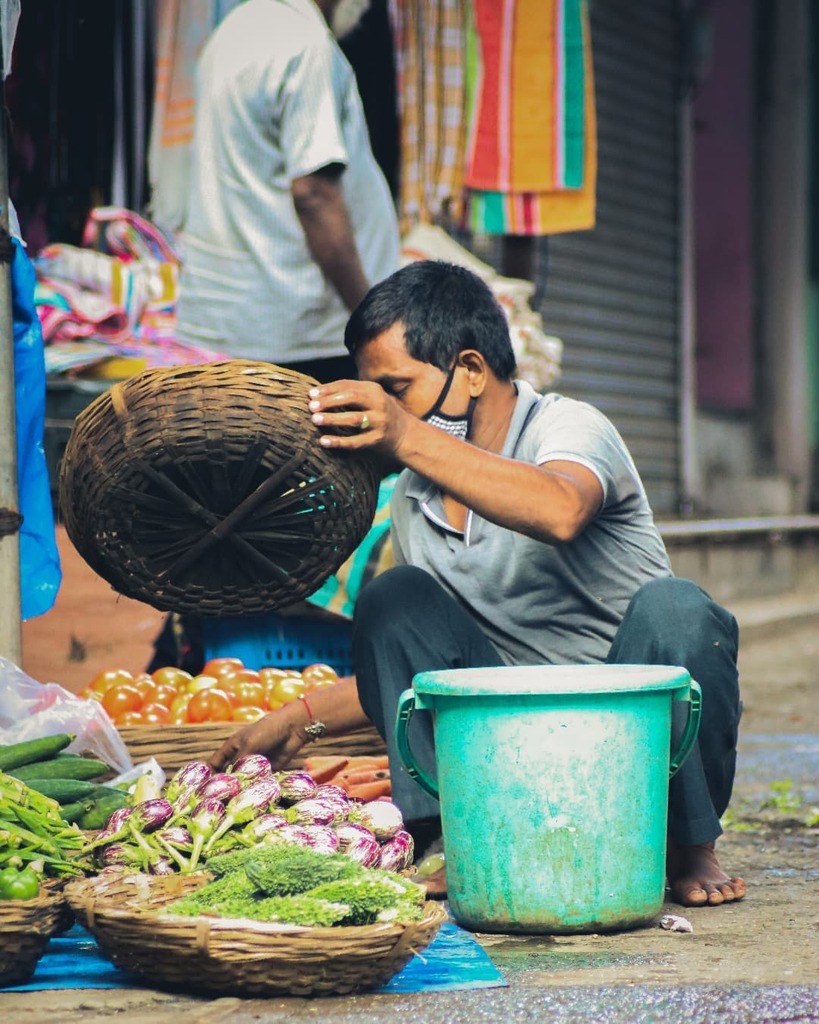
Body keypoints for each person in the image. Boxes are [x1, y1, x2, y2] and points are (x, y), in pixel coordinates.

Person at [211, 260, 746, 910]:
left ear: (469, 370)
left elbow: (559, 510)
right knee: (392, 598)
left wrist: (405, 434)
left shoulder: (566, 426)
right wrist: (299, 719)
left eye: (396, 389)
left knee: (679, 611)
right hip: (510, 743)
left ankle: (688, 845)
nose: (384, 409)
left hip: (629, 742)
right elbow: (413, 661)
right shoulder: (414, 493)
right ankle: (450, 840)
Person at [174, 0, 399, 383]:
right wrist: (372, 320)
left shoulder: (233, 30)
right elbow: (313, 193)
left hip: (238, 328)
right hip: (303, 340)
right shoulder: (306, 44)